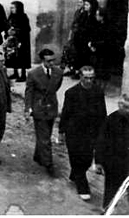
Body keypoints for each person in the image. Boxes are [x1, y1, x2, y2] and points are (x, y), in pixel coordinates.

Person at [59, 66, 107, 201]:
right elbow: (65, 113)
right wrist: (61, 131)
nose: (89, 81)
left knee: (86, 159)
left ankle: (75, 174)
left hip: (91, 132)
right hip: (74, 131)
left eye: (92, 78)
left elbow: (102, 113)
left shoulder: (98, 92)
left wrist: (104, 131)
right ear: (80, 77)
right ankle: (82, 186)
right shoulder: (71, 93)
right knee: (76, 157)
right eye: (86, 78)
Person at [24, 48, 63, 176]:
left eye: (53, 60)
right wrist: (28, 108)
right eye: (48, 61)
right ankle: (48, 164)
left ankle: (38, 156)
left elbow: (55, 87)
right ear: (42, 60)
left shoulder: (58, 72)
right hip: (39, 108)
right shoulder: (33, 73)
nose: (52, 63)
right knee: (45, 138)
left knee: (45, 134)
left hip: (51, 107)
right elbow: (29, 92)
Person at [95, 93, 129, 210]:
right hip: (113, 164)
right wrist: (98, 162)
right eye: (124, 106)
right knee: (111, 191)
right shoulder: (111, 119)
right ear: (119, 105)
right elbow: (101, 141)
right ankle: (108, 210)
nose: (127, 110)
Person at [7, 1, 31, 82]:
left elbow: (27, 29)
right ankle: (15, 73)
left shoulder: (23, 17)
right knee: (13, 56)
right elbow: (8, 25)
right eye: (11, 8)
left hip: (22, 40)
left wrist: (17, 31)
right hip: (13, 40)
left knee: (22, 56)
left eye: (13, 7)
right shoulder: (11, 16)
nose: (11, 9)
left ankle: (23, 75)